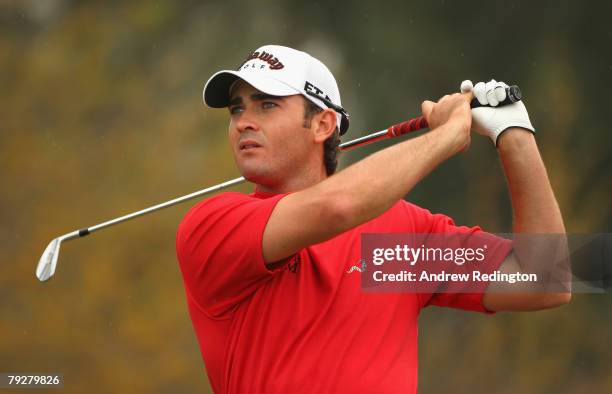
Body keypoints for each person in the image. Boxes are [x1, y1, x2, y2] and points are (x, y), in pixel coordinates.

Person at [175, 44, 571, 393]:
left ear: (323, 124)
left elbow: (546, 281)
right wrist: (448, 135)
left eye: (267, 104)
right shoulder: (213, 225)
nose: (244, 120)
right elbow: (337, 206)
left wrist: (515, 135)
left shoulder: (398, 240)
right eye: (236, 108)